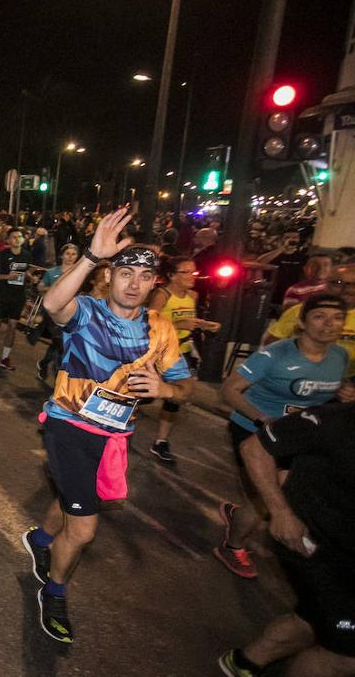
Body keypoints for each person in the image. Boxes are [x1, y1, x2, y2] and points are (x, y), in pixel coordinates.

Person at [21, 208, 194, 644]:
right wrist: (90, 257)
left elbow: (186, 385)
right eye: (125, 273)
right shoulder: (88, 313)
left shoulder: (162, 329)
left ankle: (41, 539)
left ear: (155, 282)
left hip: (116, 435)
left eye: (143, 275)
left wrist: (165, 390)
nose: (134, 283)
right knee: (83, 527)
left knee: (73, 497)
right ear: (109, 276)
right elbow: (53, 304)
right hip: (69, 425)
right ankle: (55, 591)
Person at [215, 294, 348, 580]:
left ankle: (240, 513)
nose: (329, 325)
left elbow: (322, 396)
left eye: (337, 318)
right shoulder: (274, 356)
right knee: (266, 500)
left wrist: (343, 395)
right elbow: (228, 390)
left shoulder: (340, 357)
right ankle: (232, 545)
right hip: (254, 432)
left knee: (288, 494)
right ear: (302, 322)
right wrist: (261, 418)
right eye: (319, 317)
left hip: (298, 437)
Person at [217, 401, 355, 677]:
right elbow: (255, 448)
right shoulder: (340, 420)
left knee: (312, 619)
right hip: (314, 546)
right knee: (344, 657)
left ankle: (245, 662)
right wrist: (281, 512)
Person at [145, 256, 221, 465]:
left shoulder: (193, 296)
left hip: (182, 351)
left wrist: (204, 325)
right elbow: (149, 323)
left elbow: (189, 323)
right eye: (185, 272)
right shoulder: (162, 294)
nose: (191, 276)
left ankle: (161, 441)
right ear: (171, 275)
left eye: (193, 272)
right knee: (143, 395)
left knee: (175, 399)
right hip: (159, 352)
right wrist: (178, 324)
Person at [35, 243, 79, 382]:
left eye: (73, 254)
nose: (70, 257)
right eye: (68, 254)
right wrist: (55, 289)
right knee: (60, 343)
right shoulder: (52, 272)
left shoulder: (80, 274)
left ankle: (44, 364)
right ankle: (58, 377)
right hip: (53, 315)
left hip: (73, 315)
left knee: (60, 344)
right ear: (61, 255)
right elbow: (40, 288)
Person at [0, 227, 32, 370]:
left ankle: (5, 358)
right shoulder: (3, 255)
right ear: (8, 240)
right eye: (14, 237)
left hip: (18, 295)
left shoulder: (27, 255)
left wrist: (30, 276)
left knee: (12, 326)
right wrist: (7, 277)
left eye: (19, 236)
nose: (17, 239)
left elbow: (25, 270)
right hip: (2, 294)